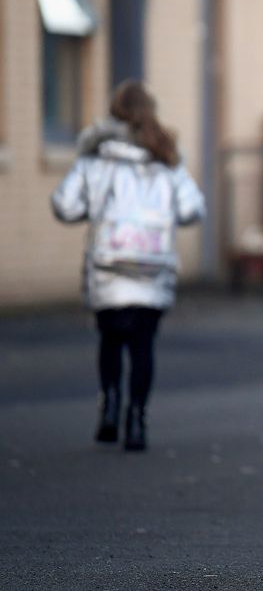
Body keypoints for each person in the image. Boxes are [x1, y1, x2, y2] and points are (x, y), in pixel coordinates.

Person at [51, 80, 205, 452]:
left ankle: (109, 406)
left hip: (108, 264)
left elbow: (65, 205)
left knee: (110, 340)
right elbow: (191, 209)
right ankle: (137, 419)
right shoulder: (166, 158)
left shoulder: (96, 158)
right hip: (152, 267)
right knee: (142, 346)